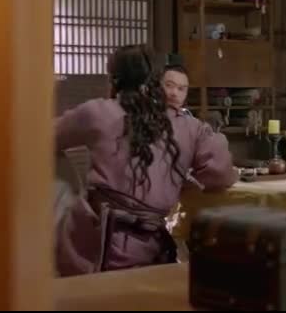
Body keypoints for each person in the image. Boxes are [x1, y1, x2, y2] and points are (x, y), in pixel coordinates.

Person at [54, 44, 238, 277]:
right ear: (157, 81)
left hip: (93, 249)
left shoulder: (96, 113)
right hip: (154, 249)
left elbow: (40, 141)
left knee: (56, 193)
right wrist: (179, 179)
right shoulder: (191, 127)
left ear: (113, 79)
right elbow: (222, 175)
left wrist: (74, 185)